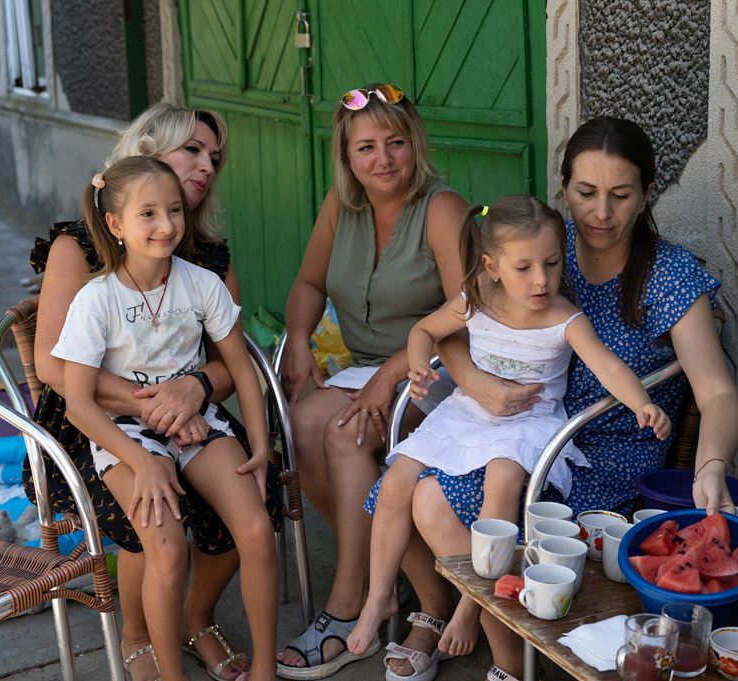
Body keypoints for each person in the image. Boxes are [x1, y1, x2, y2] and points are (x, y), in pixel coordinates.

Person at [410, 117, 738, 681]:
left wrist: (711, 466)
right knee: (421, 493)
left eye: (621, 195)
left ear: (647, 194)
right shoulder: (541, 245)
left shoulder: (669, 275)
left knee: (441, 499)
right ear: (563, 187)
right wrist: (475, 382)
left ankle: (508, 647)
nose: (601, 213)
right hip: (522, 431)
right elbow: (464, 321)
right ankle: (512, 654)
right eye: (586, 193)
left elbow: (718, 391)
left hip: (607, 459)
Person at [348, 194, 671, 656]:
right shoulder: (477, 299)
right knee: (398, 477)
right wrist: (418, 366)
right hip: (469, 411)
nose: (542, 280)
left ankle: (470, 604)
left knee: (502, 480)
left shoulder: (564, 318)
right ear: (492, 267)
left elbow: (609, 367)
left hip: (530, 421)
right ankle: (379, 596)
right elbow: (425, 331)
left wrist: (642, 403)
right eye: (524, 267)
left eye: (552, 264)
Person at [29, 103, 256, 681]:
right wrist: (158, 405)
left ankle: (195, 619)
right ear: (149, 150)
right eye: (193, 150)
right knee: (149, 514)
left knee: (249, 491)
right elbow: (51, 364)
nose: (207, 166)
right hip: (92, 420)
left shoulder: (207, 256)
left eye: (215, 157)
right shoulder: (80, 245)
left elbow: (230, 363)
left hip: (188, 408)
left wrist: (195, 389)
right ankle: (138, 635)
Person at [276, 83, 467, 680]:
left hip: (439, 370)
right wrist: (300, 338)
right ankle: (396, 578)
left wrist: (391, 375)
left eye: (395, 143)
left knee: (345, 431)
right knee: (301, 424)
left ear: (416, 145)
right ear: (347, 155)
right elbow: (309, 283)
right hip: (366, 367)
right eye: (366, 147)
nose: (382, 159)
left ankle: (349, 604)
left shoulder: (442, 208)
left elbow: (468, 310)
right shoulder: (343, 206)